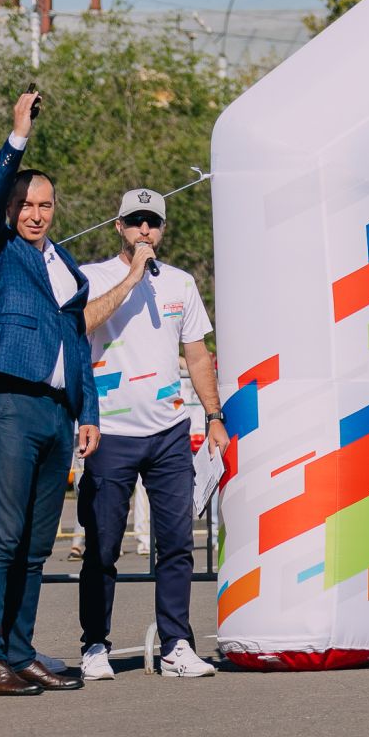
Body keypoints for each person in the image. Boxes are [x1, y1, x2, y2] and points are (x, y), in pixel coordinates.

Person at [0, 92, 98, 697]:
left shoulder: (66, 264)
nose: (35, 213)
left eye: (44, 204)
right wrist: (17, 138)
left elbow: (77, 337)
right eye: (26, 203)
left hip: (56, 412)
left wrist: (88, 410)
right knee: (2, 533)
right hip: (10, 404)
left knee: (39, 543)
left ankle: (20, 652)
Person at [76, 187, 226, 679]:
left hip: (168, 430)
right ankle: (95, 644)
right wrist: (133, 276)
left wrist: (214, 415)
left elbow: (197, 353)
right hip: (111, 431)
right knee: (102, 545)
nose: (145, 230)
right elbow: (81, 323)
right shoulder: (94, 276)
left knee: (177, 542)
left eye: (153, 222)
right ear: (118, 226)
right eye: (136, 221)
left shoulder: (181, 284)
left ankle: (177, 644)